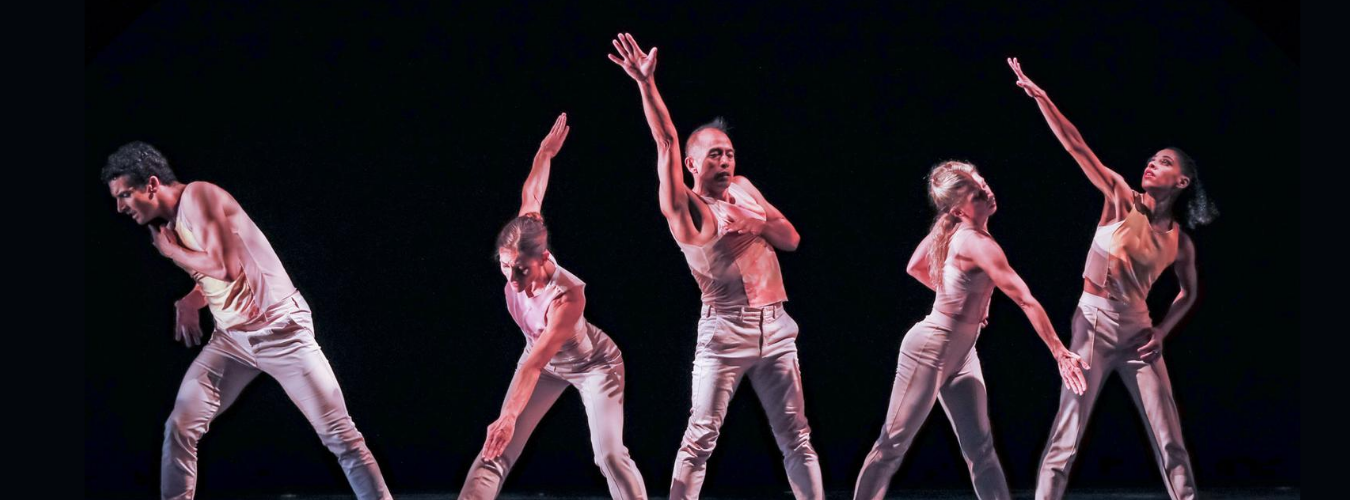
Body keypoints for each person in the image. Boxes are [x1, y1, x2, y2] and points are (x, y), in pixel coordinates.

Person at [101, 141, 392, 500]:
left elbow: (225, 267)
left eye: (125, 194)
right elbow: (215, 277)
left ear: (152, 184)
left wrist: (171, 251)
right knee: (181, 425)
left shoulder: (199, 196)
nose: (120, 206)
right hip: (232, 341)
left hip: (281, 331)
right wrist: (191, 300)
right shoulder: (174, 221)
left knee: (340, 436)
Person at [609, 33, 823, 500]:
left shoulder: (745, 188)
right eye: (714, 154)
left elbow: (791, 239)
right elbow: (665, 141)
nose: (725, 160)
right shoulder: (688, 212)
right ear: (692, 164)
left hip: (777, 326)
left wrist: (757, 221)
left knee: (798, 437)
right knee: (701, 437)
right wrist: (647, 85)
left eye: (728, 152)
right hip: (725, 333)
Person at [1008, 57, 1219, 500]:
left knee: (1170, 439)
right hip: (1093, 325)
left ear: (1180, 181)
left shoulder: (1180, 242)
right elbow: (1077, 147)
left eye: (1162, 164)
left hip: (1139, 334)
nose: (1151, 165)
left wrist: (1162, 330)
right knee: (1067, 433)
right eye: (1151, 160)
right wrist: (1042, 97)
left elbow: (1189, 292)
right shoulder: (1122, 198)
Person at [852, 160, 1088, 500]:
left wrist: (964, 300)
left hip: (962, 352)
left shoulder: (951, 228)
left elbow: (916, 266)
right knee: (892, 445)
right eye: (978, 194)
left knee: (980, 448)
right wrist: (1058, 351)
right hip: (930, 347)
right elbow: (1025, 299)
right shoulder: (978, 243)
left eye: (984, 184)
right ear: (958, 210)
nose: (987, 193)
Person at [457, 114, 648, 500]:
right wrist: (545, 152)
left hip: (594, 365)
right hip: (542, 360)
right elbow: (533, 192)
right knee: (496, 448)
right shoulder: (523, 235)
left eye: (521, 271)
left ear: (543, 257)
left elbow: (536, 361)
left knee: (608, 455)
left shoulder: (568, 296)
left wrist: (510, 415)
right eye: (505, 267)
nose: (513, 280)